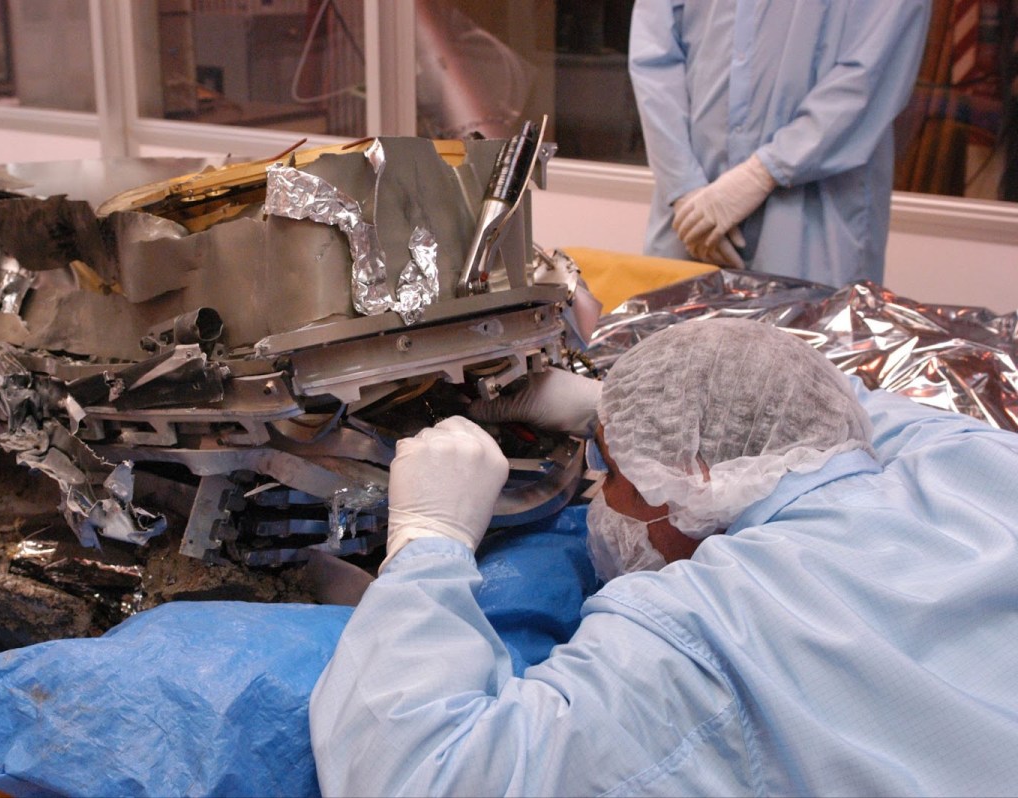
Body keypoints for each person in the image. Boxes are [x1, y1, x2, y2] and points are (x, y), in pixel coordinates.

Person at [308, 317, 1018, 796]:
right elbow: (824, 400)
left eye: (611, 472)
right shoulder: (974, 462)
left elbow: (420, 771)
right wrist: (614, 405)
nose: (597, 495)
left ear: (692, 484)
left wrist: (428, 540)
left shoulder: (700, 634)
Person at [628, 1, 931, 285]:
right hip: (690, 217)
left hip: (811, 219)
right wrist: (683, 186)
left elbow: (869, 75)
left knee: (803, 336)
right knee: (676, 338)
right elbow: (654, 61)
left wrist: (763, 172)